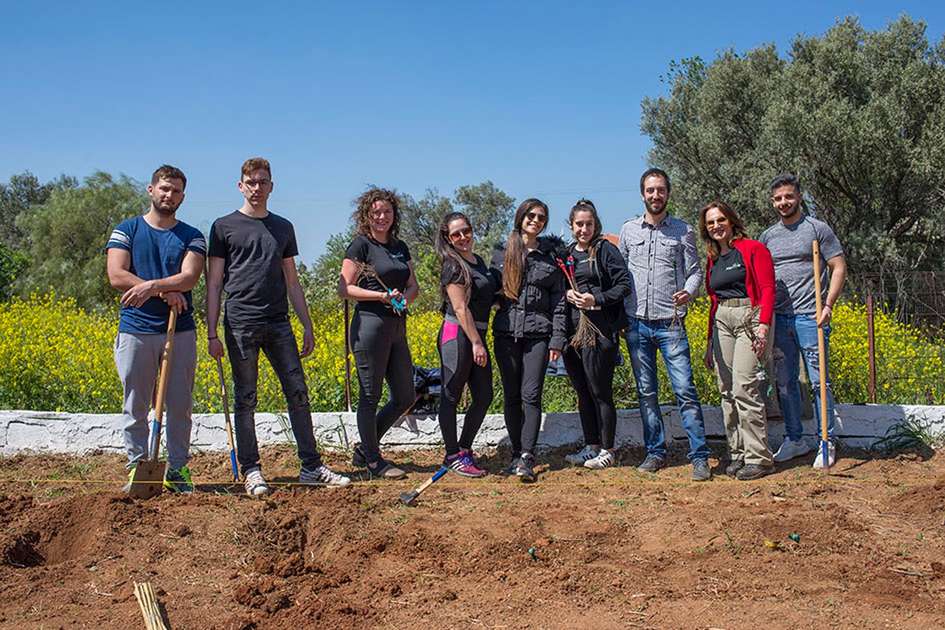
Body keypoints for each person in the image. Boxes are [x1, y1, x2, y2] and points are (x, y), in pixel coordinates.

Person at [207, 157, 350, 497]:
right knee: (246, 398)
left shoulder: (283, 227)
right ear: (240, 186)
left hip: (279, 322)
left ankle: (311, 466)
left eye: (263, 181)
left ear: (272, 186)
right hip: (240, 322)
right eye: (251, 182)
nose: (257, 188)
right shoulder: (223, 227)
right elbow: (213, 283)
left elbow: (293, 281)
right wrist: (212, 332)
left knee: (298, 394)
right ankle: (252, 469)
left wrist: (307, 324)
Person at [106, 164, 205, 494]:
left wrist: (151, 286)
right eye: (164, 188)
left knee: (179, 404)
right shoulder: (128, 229)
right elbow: (117, 275)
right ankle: (137, 466)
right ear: (151, 190)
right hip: (135, 329)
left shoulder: (192, 235)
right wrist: (162, 290)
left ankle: (177, 469)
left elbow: (190, 278)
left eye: (176, 191)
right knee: (135, 403)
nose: (169, 195)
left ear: (183, 196)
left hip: (179, 331)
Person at [618, 168, 711, 481]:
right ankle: (655, 452)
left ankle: (699, 456)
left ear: (668, 194)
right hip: (636, 324)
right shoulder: (628, 230)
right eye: (650, 190)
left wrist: (690, 290)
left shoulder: (683, 231)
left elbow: (695, 271)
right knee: (647, 393)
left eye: (660, 190)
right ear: (642, 193)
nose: (655, 195)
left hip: (670, 323)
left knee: (685, 389)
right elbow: (620, 274)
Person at [759, 174, 847, 469]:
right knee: (785, 383)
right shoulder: (769, 236)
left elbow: (837, 266)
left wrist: (829, 305)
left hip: (812, 316)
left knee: (820, 382)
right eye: (778, 199)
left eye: (788, 197)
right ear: (773, 202)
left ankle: (826, 440)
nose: (783, 203)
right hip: (781, 319)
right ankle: (795, 438)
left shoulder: (816, 229)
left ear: (799, 197)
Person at [338, 187, 420, 480]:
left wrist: (404, 299)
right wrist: (381, 297)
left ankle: (364, 447)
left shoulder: (400, 247)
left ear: (394, 214)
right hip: (370, 325)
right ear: (366, 216)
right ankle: (373, 460)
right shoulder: (360, 246)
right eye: (375, 213)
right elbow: (344, 287)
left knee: (405, 395)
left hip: (398, 325)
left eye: (386, 212)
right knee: (370, 395)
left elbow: (414, 285)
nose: (381, 217)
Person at [491, 199, 567, 482]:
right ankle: (514, 453)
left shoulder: (550, 258)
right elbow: (489, 292)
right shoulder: (502, 252)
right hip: (506, 334)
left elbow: (559, 302)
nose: (536, 220)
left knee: (531, 395)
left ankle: (527, 456)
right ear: (521, 217)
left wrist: (557, 339)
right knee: (511, 397)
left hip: (538, 335)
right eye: (531, 215)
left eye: (541, 217)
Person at [700, 201, 776, 480]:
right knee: (726, 390)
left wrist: (764, 327)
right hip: (723, 319)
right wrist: (709, 341)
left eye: (721, 220)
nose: (716, 226)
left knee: (744, 386)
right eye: (710, 223)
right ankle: (738, 453)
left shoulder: (753, 248)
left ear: (731, 221)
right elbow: (712, 300)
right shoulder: (712, 258)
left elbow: (768, 288)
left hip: (750, 316)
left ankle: (760, 457)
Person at [561, 199, 631, 469]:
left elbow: (624, 285)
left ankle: (608, 449)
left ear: (595, 224)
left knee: (600, 391)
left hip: (600, 331)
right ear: (572, 225)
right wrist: (567, 293)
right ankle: (591, 446)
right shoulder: (566, 254)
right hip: (573, 333)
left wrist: (596, 299)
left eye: (589, 224)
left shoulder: (605, 250)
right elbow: (558, 288)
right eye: (579, 224)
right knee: (582, 390)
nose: (584, 229)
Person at [434, 212, 501, 477]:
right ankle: (452, 455)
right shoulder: (453, 265)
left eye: (466, 231)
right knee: (450, 395)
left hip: (477, 334)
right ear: (448, 239)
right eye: (456, 234)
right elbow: (460, 308)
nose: (463, 237)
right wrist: (476, 342)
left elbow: (487, 299)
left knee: (484, 395)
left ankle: (463, 449)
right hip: (458, 335)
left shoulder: (479, 261)